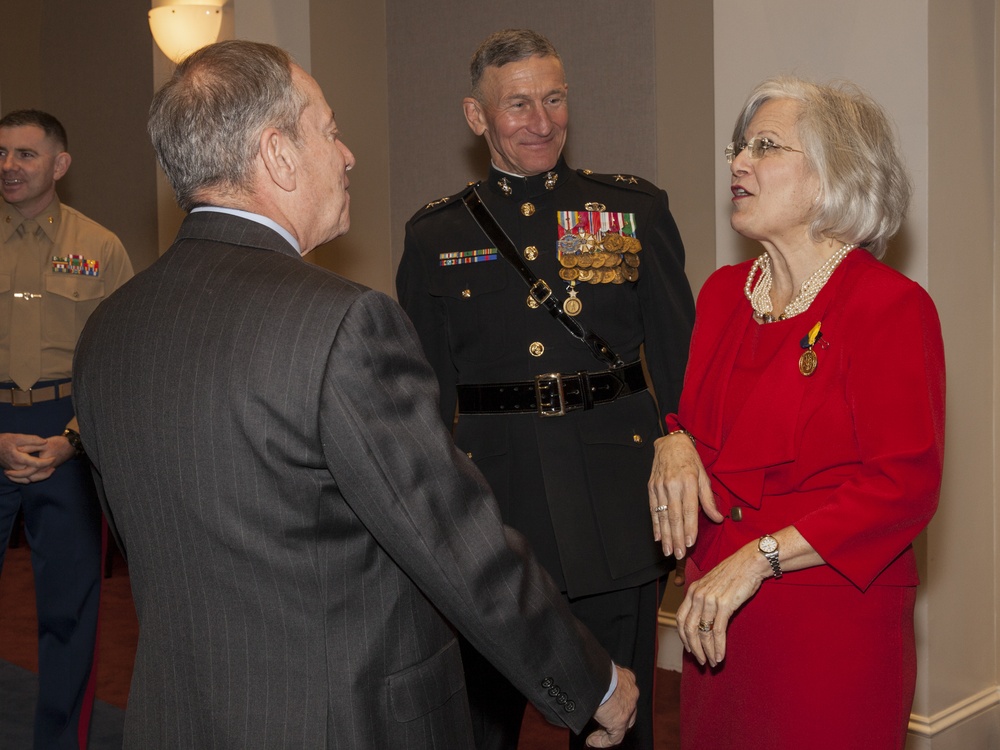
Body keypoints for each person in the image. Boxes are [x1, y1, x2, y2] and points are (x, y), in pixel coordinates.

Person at [72, 40, 640, 749]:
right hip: (340, 721)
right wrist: (593, 684)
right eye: (330, 131)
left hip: (178, 716)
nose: (346, 157)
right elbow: (453, 542)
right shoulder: (342, 323)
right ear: (278, 155)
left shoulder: (108, 328)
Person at [396, 28, 695, 750]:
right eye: (519, 104)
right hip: (496, 508)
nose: (542, 120)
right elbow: (422, 401)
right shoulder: (435, 236)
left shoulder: (632, 211)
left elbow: (684, 361)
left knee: (620, 724)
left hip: (619, 499)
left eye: (555, 99)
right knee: (481, 721)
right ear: (478, 118)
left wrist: (682, 445)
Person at [647, 75, 945, 749]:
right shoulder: (724, 293)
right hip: (716, 612)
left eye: (765, 146)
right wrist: (675, 444)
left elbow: (904, 486)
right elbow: (694, 421)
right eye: (738, 147)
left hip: (830, 619)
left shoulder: (889, 307)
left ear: (834, 175)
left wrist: (759, 558)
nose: (737, 163)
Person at [0, 109, 134, 749]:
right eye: (0, 153)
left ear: (60, 165)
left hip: (68, 431)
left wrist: (73, 439)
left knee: (69, 611)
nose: (8, 166)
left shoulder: (100, 247)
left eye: (25, 154)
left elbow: (118, 362)